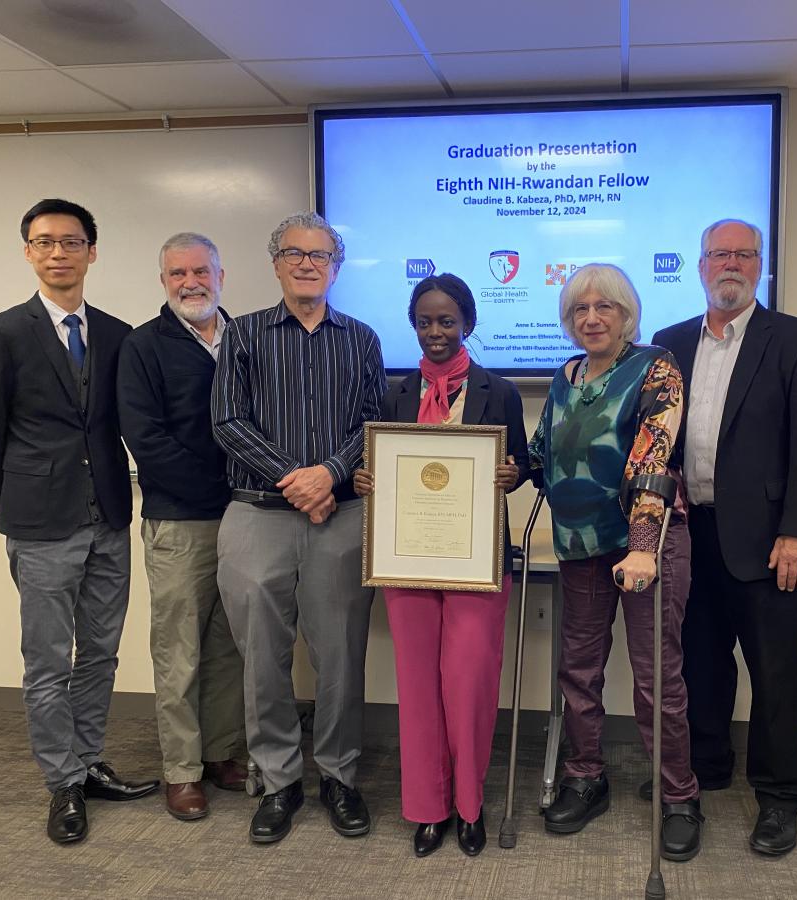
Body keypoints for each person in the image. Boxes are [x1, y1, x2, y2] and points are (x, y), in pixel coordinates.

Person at [0, 198, 158, 845]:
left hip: (107, 518)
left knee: (100, 652)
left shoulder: (118, 332)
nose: (57, 253)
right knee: (46, 662)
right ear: (28, 252)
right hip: (39, 524)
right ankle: (62, 783)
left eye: (71, 242)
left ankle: (89, 762)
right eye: (43, 242)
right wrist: (18, 497)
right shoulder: (2, 333)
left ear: (92, 252)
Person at [652, 218, 797, 856]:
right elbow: (657, 439)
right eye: (718, 254)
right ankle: (707, 765)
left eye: (743, 254)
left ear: (760, 265)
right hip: (688, 535)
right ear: (699, 264)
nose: (730, 264)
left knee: (776, 673)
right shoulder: (667, 342)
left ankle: (781, 796)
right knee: (699, 662)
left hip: (769, 541)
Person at [211, 211, 385, 845]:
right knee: (262, 658)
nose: (307, 263)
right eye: (294, 253)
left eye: (320, 254)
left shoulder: (363, 338)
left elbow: (372, 425)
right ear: (276, 263)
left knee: (341, 654)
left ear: (335, 267)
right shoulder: (245, 334)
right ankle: (279, 780)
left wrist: (329, 476)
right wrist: (298, 479)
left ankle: (339, 776)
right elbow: (229, 422)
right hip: (259, 515)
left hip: (342, 517)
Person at [530, 263, 703, 862]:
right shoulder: (566, 375)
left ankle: (678, 795)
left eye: (604, 307)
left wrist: (642, 544)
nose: (591, 318)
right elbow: (542, 451)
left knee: (657, 677)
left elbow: (654, 455)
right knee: (578, 670)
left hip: (645, 546)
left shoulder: (655, 367)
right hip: (579, 546)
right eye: (580, 309)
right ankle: (585, 776)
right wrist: (504, 469)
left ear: (627, 315)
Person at [353, 273, 528, 858]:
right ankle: (428, 809)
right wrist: (365, 478)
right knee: (418, 688)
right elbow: (377, 464)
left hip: (478, 562)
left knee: (470, 685)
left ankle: (470, 807)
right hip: (407, 564)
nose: (435, 332)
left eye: (446, 321)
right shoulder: (394, 395)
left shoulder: (496, 391)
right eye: (425, 321)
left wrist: (512, 473)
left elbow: (522, 462)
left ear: (468, 324)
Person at [117, 232, 247, 821]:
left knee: (230, 646)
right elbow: (146, 440)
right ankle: (182, 770)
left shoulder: (247, 337)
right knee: (180, 652)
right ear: (163, 281)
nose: (190, 283)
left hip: (249, 518)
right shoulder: (144, 347)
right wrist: (222, 490)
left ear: (221, 274)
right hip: (181, 521)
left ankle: (221, 752)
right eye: (177, 274)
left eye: (200, 271)